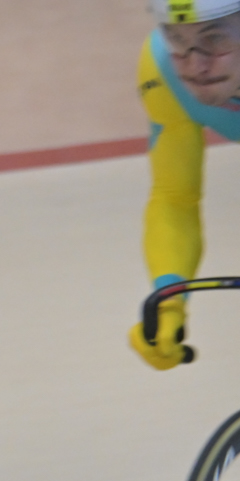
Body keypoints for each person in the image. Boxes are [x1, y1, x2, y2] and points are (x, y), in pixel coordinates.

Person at [133, 0, 240, 370]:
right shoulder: (161, 70)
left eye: (214, 40)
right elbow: (175, 198)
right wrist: (170, 298)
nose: (195, 66)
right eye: (176, 39)